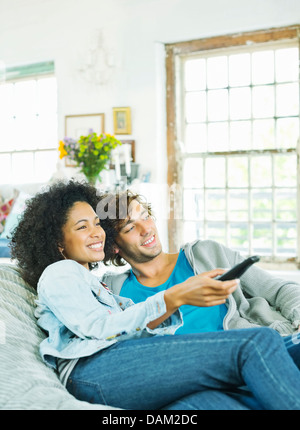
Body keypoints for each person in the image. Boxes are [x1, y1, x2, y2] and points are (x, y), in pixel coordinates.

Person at [10, 180, 300, 410]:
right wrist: (176, 297)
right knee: (257, 345)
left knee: (209, 401)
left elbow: (128, 333)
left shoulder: (95, 285)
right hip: (100, 368)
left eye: (96, 224)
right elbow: (100, 329)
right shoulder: (67, 274)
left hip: (182, 371)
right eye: (82, 226)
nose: (95, 232)